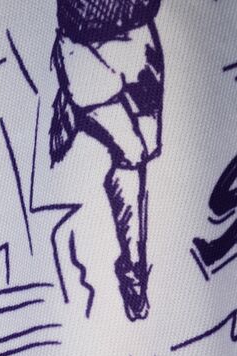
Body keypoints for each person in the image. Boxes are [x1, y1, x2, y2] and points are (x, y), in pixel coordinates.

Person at [50, 0, 164, 320]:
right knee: (131, 152)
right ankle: (134, 270)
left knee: (144, 151)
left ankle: (133, 265)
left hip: (141, 36)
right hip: (85, 45)